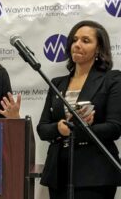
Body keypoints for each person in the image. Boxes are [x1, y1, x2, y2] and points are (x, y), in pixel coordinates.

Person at [37, 20, 121, 199]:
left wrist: (80, 130)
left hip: (95, 173)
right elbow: (43, 128)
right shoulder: (57, 83)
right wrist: (58, 128)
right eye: (75, 40)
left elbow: (114, 128)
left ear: (99, 49)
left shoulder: (112, 79)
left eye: (85, 40)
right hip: (59, 171)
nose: (77, 44)